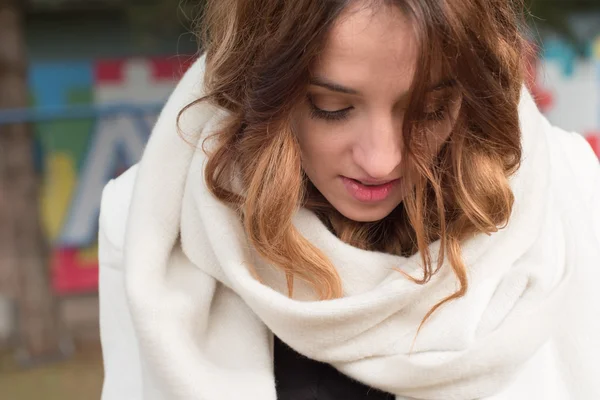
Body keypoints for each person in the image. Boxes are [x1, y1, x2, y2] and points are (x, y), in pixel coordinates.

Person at [98, 0, 600, 399]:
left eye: (429, 110)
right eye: (332, 107)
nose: (382, 161)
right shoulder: (150, 230)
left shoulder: (571, 190)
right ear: (264, 88)